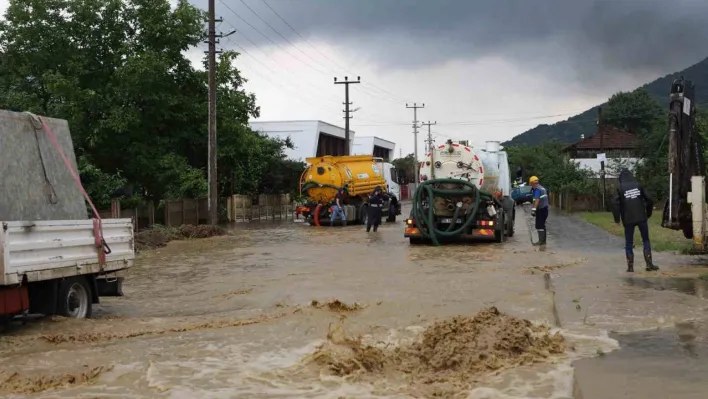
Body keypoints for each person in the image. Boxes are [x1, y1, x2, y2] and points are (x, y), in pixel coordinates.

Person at [612, 168, 658, 272]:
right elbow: (649, 199)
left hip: (628, 219)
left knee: (629, 242)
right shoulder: (638, 185)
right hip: (641, 217)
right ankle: (649, 264)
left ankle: (630, 266)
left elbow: (615, 203)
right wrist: (648, 213)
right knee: (645, 239)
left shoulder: (620, 187)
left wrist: (617, 219)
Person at [529, 176, 549, 245]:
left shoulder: (537, 189)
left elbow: (537, 200)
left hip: (541, 210)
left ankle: (541, 241)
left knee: (539, 225)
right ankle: (543, 241)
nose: (531, 185)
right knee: (542, 225)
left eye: (531, 184)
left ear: (532, 183)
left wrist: (533, 210)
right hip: (545, 209)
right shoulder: (542, 188)